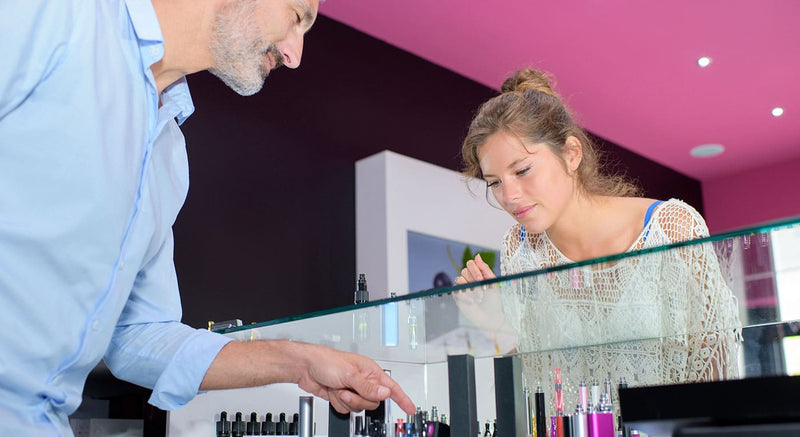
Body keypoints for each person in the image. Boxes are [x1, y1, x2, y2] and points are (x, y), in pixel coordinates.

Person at [0, 0, 414, 434]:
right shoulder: (57, 14)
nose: (295, 55)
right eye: (297, 17)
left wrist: (303, 361)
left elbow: (140, 333)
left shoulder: (168, 155)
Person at [453, 68, 741, 413]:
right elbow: (539, 386)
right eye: (494, 182)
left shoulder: (672, 227)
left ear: (571, 154)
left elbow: (716, 372)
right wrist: (495, 325)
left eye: (522, 170)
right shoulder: (521, 246)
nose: (510, 195)